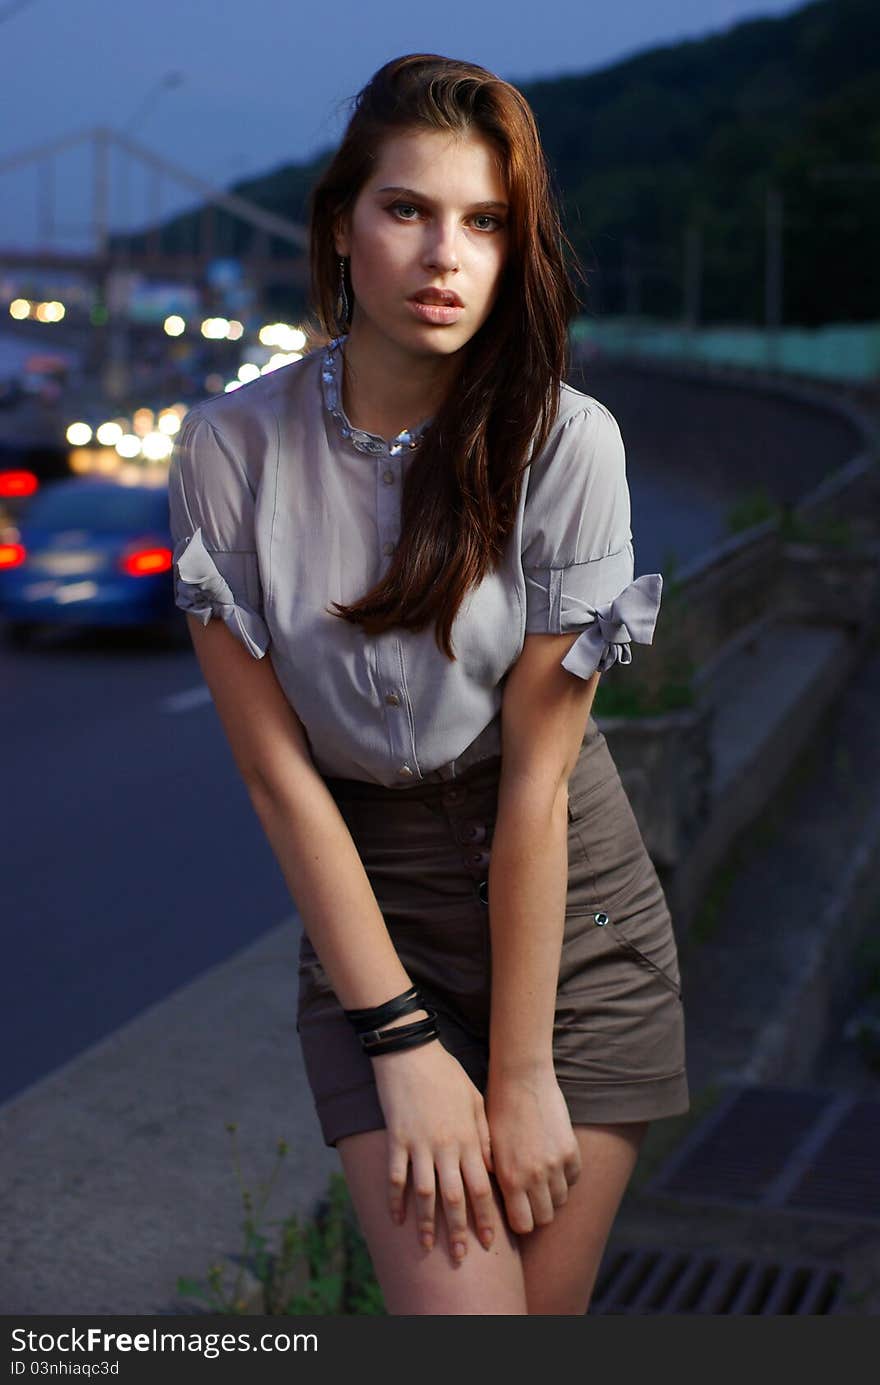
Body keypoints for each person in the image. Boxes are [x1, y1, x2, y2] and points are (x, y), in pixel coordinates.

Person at [167, 52, 689, 1316]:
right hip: (375, 925)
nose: (444, 254)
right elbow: (274, 769)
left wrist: (519, 1073)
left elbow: (541, 775)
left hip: (574, 932)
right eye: (407, 209)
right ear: (342, 226)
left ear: (516, 248)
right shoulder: (231, 447)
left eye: (485, 221)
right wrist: (400, 1038)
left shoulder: (568, 443)